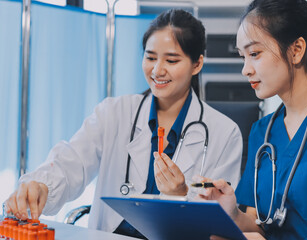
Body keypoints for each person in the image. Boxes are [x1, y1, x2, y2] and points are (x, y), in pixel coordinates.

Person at [4, 9, 243, 239]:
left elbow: (220, 221)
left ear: (197, 64)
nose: (157, 70)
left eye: (171, 60)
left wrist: (181, 196)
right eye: (150, 57)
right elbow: (71, 161)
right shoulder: (114, 112)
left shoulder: (224, 133)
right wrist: (43, 186)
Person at [199, 0, 307, 239]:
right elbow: (259, 226)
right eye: (243, 57)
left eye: (254, 54)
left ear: (296, 50)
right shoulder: (262, 131)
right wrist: (231, 212)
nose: (245, 69)